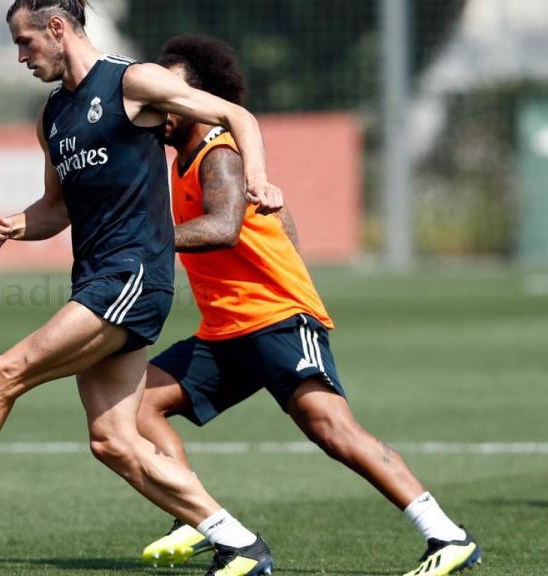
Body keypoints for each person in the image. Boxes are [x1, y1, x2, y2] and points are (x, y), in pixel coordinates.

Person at [0, 3, 282, 575]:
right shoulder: (53, 115)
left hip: (132, 276)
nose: (21, 56)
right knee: (113, 441)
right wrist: (16, 225)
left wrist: (258, 178)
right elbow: (56, 208)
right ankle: (240, 544)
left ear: (56, 28)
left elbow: (238, 116)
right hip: (98, 279)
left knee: (6, 371)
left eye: (25, 42)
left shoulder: (132, 81)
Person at [135, 34, 482, 576]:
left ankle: (447, 535)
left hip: (274, 320)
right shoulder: (182, 163)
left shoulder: (218, 154)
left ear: (201, 100)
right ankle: (196, 518)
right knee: (135, 406)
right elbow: (281, 222)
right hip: (227, 330)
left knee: (333, 430)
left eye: (170, 95)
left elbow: (224, 228)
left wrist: (145, 240)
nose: (161, 106)